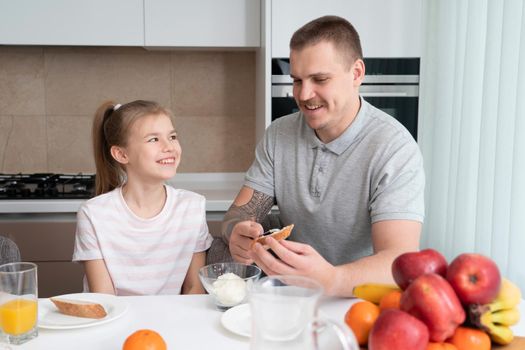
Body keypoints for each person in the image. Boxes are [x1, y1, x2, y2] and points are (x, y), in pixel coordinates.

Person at [209, 15, 425, 297]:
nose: (303, 94)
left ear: (357, 73)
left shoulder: (394, 148)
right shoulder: (279, 134)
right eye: (297, 80)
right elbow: (241, 213)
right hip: (292, 294)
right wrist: (235, 230)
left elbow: (399, 262)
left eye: (320, 79)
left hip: (358, 300)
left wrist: (332, 279)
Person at [73, 100, 212, 296]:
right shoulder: (94, 214)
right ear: (121, 154)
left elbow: (194, 289)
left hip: (173, 323)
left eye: (172, 136)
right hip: (116, 323)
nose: (169, 147)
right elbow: (104, 298)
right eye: (153, 139)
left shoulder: (192, 207)